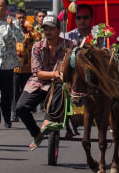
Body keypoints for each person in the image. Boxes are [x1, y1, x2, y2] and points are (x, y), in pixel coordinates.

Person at [15, 14, 74, 150]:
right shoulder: (37, 46)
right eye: (45, 29)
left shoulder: (69, 45)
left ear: (58, 30)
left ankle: (48, 120)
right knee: (20, 108)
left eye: (51, 29)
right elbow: (37, 72)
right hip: (39, 82)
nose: (48, 32)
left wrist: (62, 76)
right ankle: (36, 134)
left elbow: (72, 68)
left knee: (61, 86)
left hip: (59, 84)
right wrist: (54, 74)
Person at [0, 0, 24, 130]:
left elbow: (21, 38)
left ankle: (7, 118)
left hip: (8, 64)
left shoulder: (13, 22)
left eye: (0, 6)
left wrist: (11, 26)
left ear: (6, 8)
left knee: (7, 94)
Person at [12, 9, 42, 122]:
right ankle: (14, 113)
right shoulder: (12, 30)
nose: (20, 20)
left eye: (23, 18)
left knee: (27, 91)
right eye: (18, 18)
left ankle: (25, 111)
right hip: (14, 66)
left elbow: (39, 38)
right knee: (15, 91)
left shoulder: (29, 31)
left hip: (27, 66)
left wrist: (29, 26)